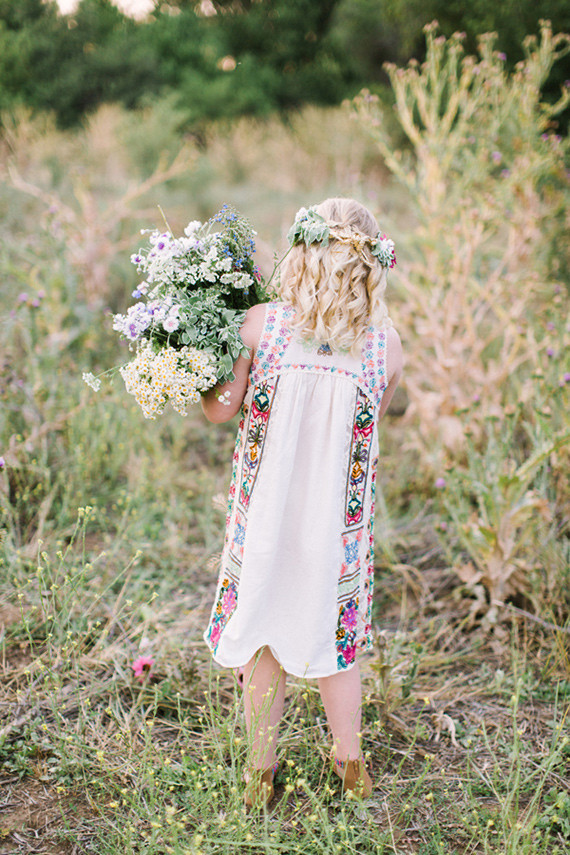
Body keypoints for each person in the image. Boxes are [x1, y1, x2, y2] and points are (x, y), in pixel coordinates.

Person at [201, 197, 403, 808]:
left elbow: (220, 410)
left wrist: (199, 365)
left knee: (264, 642)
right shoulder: (385, 346)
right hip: (335, 530)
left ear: (303, 251)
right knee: (335, 645)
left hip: (263, 519)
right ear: (370, 265)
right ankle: (351, 765)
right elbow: (371, 430)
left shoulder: (260, 325)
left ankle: (260, 777)